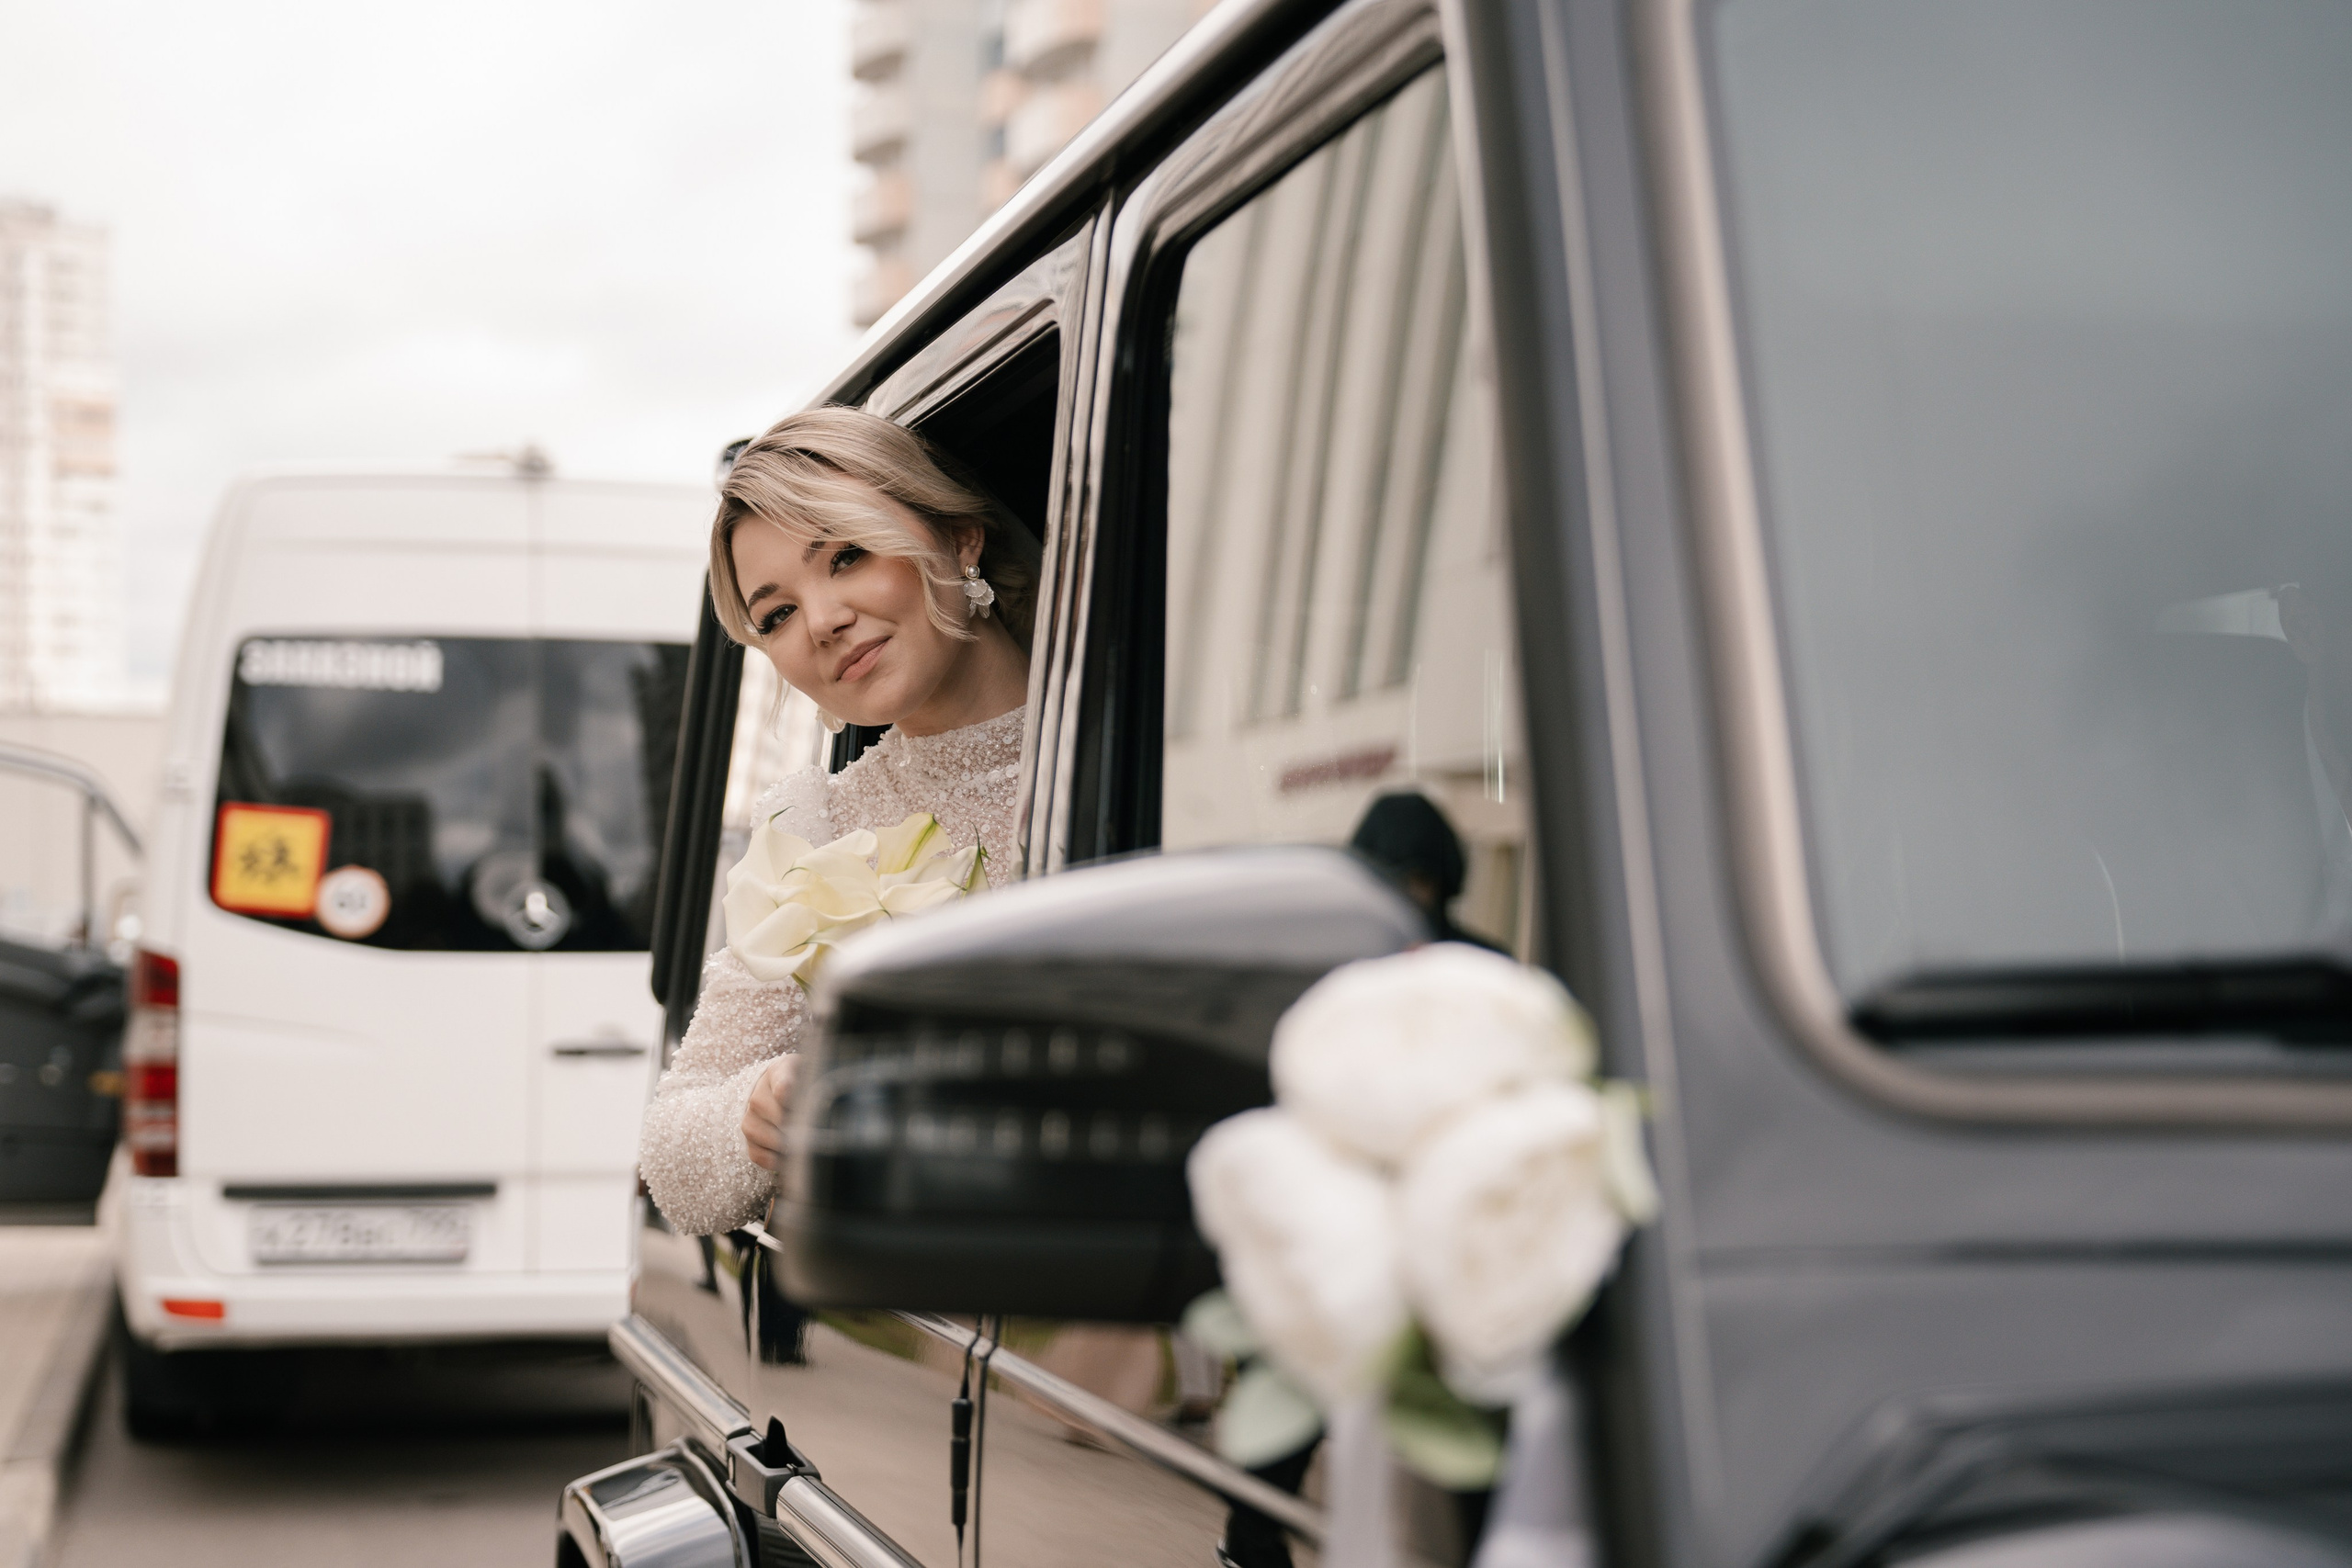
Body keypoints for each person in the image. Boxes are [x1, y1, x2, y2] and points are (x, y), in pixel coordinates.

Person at [639, 407, 1038, 1236]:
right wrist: (762, 1105)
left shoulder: (1157, 732)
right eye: (776, 613)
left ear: (960, 537)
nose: (820, 622)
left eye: (846, 557)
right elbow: (673, 1157)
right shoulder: (818, 822)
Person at [1348, 791, 1504, 952]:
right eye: (1390, 882)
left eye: (1419, 880)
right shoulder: (1347, 960)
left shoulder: (1480, 962)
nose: (1406, 895)